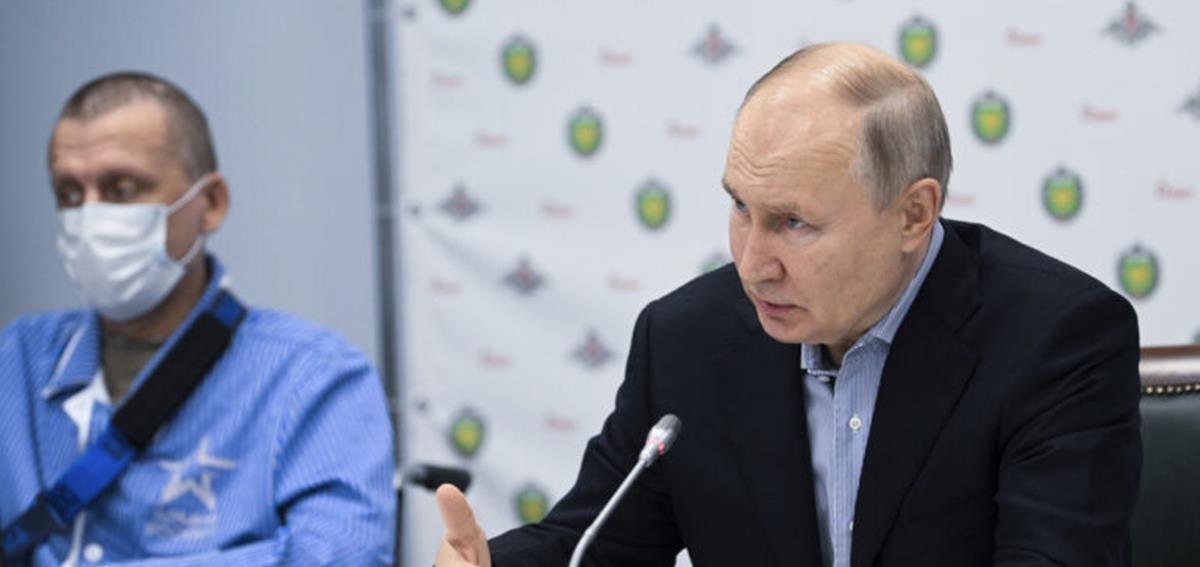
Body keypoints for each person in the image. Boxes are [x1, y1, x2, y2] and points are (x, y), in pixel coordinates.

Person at [433, 42, 1141, 567]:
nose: (752, 264)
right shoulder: (685, 341)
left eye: (793, 223)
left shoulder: (1057, 341)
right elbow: (596, 546)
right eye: (741, 208)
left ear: (913, 214)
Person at [0, 72, 395, 565]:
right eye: (70, 194)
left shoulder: (314, 377)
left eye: (122, 189)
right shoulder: (16, 360)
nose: (91, 219)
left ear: (210, 204)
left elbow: (342, 557)